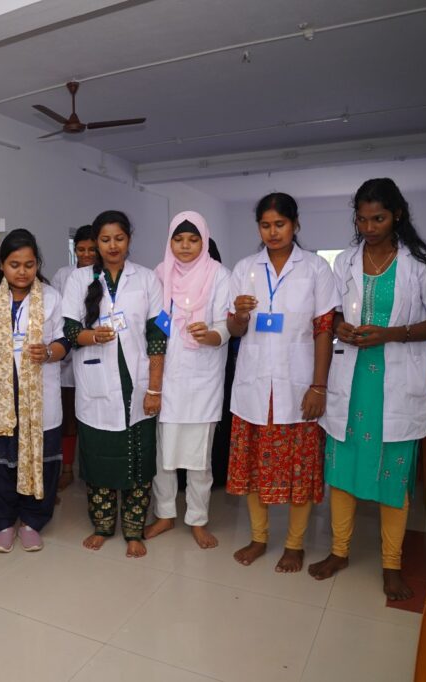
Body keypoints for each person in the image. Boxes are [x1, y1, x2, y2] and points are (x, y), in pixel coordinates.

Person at [311, 178, 426, 600]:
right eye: (362, 219)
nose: (369, 227)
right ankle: (339, 552)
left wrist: (391, 334)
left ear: (397, 216)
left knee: (393, 476)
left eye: (379, 218)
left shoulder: (418, 264)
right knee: (342, 472)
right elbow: (333, 314)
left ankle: (392, 564)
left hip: (396, 381)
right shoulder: (345, 262)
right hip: (352, 381)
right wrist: (341, 326)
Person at [226, 193, 338, 573]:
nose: (272, 232)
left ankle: (294, 544)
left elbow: (324, 330)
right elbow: (234, 329)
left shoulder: (315, 269)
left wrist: (318, 386)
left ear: (295, 224)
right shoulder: (245, 268)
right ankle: (259, 538)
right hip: (255, 385)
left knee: (298, 471)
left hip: (297, 384)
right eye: (265, 225)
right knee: (253, 468)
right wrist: (240, 316)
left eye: (280, 224)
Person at [62, 210, 166, 559]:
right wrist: (90, 336)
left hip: (137, 384)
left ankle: (134, 530)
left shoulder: (147, 279)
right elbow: (68, 329)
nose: (112, 246)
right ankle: (103, 525)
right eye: (105, 240)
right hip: (96, 383)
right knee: (99, 459)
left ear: (129, 239)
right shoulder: (78, 279)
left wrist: (154, 388)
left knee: (139, 460)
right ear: (96, 243)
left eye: (119, 239)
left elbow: (158, 335)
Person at [0, 229, 68, 552]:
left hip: (38, 395)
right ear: (1, 264)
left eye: (29, 264)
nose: (22, 272)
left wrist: (48, 352)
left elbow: (64, 341)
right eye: (14, 265)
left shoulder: (50, 297)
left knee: (41, 459)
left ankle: (33, 521)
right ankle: (2, 522)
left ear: (37, 264)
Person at [144, 211, 232, 549]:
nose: (185, 246)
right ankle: (165, 514)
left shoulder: (219, 275)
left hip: (202, 378)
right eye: (178, 240)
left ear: (204, 241)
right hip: (165, 378)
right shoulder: (160, 274)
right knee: (163, 455)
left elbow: (226, 324)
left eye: (193, 240)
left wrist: (211, 335)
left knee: (199, 458)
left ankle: (198, 519)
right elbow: (153, 322)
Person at [50, 224, 96, 491]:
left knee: (92, 419)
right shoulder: (63, 275)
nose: (86, 254)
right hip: (67, 359)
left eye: (91, 249)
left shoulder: (105, 274)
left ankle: (92, 470)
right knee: (68, 419)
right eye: (81, 249)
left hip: (98, 352)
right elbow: (57, 314)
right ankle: (67, 469)